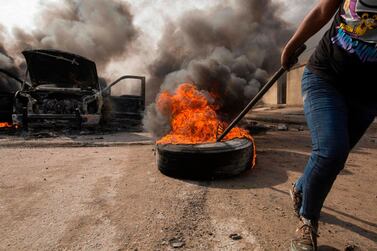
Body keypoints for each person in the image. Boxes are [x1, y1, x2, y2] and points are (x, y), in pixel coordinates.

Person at [281, 0, 377, 250]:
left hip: (368, 96)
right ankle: (307, 222)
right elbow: (323, 11)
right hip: (325, 77)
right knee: (331, 152)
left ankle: (301, 188)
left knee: (335, 155)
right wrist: (291, 46)